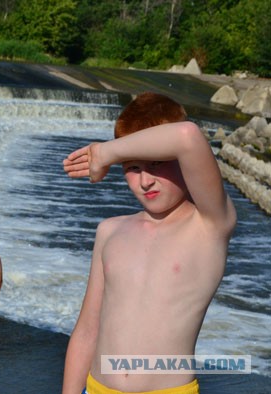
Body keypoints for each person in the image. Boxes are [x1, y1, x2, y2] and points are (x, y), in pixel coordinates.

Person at [61, 92, 237, 394]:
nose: (145, 181)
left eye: (157, 163)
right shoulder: (110, 231)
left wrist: (105, 153)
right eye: (132, 168)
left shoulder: (210, 225)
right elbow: (87, 331)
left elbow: (187, 135)